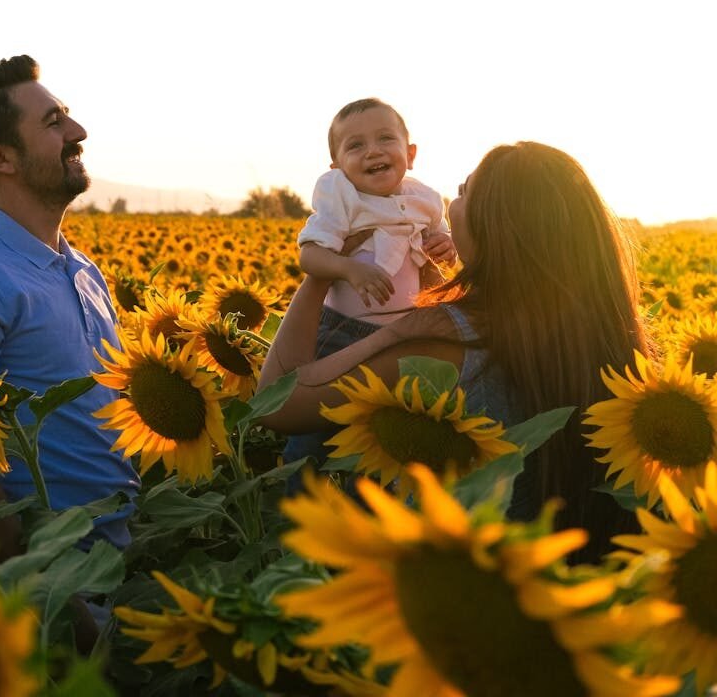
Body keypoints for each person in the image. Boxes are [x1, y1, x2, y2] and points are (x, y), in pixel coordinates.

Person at [259, 140, 651, 562]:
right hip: (539, 584)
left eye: (465, 192)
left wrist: (322, 268)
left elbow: (280, 402)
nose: (450, 202)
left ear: (496, 227)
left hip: (436, 582)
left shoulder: (440, 339)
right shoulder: (598, 336)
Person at [0, 55, 140, 560]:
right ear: (2, 159)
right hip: (52, 577)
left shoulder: (80, 267)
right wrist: (36, 578)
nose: (77, 131)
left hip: (114, 555)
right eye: (53, 122)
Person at [285, 98, 456, 475]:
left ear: (409, 154)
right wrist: (349, 269)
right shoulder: (340, 196)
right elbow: (310, 257)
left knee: (379, 433)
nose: (373, 151)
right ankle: (295, 500)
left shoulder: (424, 199)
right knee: (316, 427)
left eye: (385, 139)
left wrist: (446, 247)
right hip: (342, 333)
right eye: (355, 145)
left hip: (404, 333)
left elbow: (438, 242)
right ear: (337, 166)